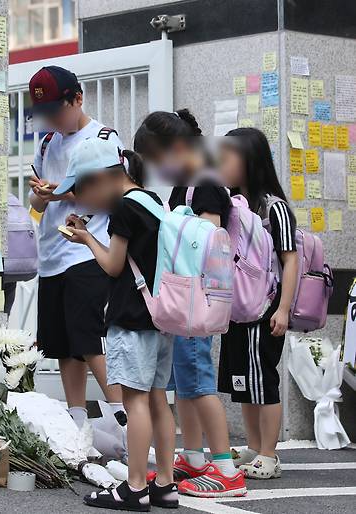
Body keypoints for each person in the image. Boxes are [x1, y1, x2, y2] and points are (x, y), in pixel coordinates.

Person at [59, 137, 178, 511]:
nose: (82, 199)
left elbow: (112, 265)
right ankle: (166, 484)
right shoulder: (152, 201)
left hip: (131, 318)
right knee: (159, 400)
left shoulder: (124, 209)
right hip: (161, 317)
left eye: (82, 189)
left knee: (136, 400)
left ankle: (135, 486)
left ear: (101, 179)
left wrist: (86, 240)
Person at [133, 109, 246, 497]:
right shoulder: (188, 183)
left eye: (155, 160)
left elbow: (208, 244)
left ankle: (226, 468)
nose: (155, 169)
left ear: (177, 148)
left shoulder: (206, 184)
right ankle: (194, 457)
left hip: (197, 299)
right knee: (184, 381)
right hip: (186, 299)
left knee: (198, 382)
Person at [28, 66, 123, 427]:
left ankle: (123, 418)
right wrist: (41, 196)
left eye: (57, 109)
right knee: (64, 345)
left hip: (87, 251)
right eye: (46, 113)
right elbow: (37, 206)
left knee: (89, 340)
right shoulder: (47, 143)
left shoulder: (101, 139)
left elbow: (113, 196)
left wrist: (61, 192)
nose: (51, 118)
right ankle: (77, 423)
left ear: (77, 99)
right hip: (51, 256)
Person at [218, 127, 299, 479]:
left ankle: (269, 454)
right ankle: (253, 446)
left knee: (263, 379)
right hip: (236, 309)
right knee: (244, 382)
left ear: (250, 160)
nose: (220, 162)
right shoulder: (231, 203)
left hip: (265, 309)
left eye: (228, 155)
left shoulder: (273, 207)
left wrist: (283, 309)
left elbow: (290, 260)